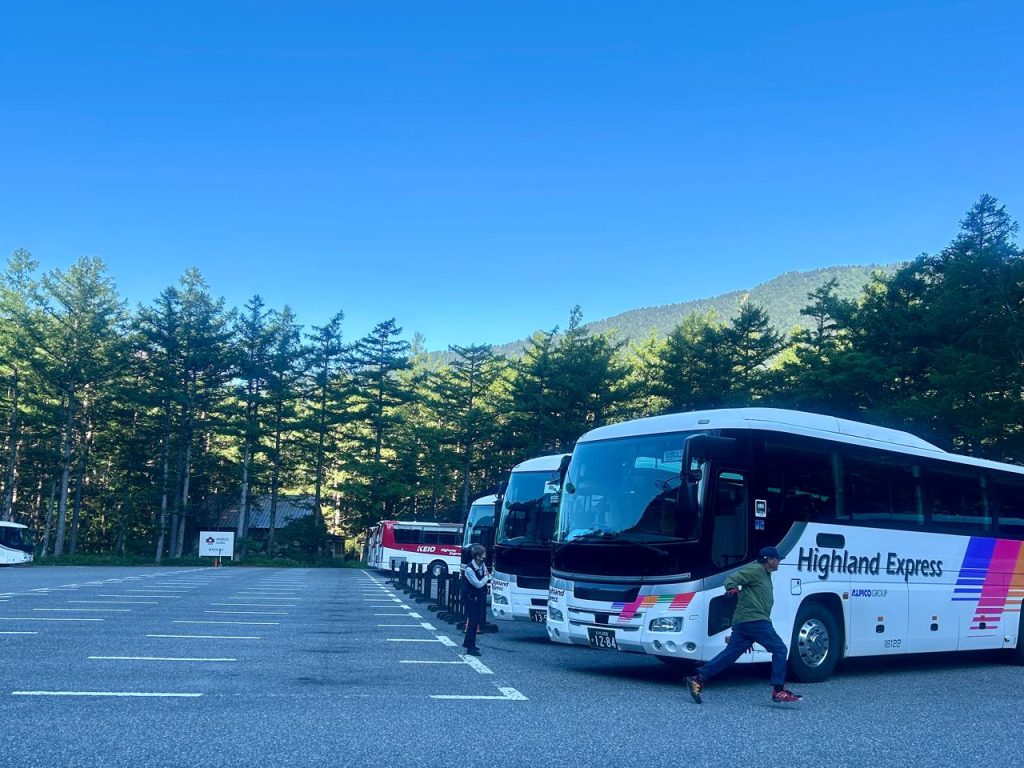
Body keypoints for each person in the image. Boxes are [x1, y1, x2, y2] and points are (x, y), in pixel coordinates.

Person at [684, 546, 802, 704]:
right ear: (769, 560)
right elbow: (731, 579)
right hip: (755, 620)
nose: (779, 561)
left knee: (729, 656)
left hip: (746, 622)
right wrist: (732, 588)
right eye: (777, 559)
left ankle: (698, 679)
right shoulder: (756, 570)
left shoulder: (765, 574)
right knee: (780, 649)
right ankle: (778, 691)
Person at [461, 543, 491, 657]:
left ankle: (469, 643)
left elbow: (486, 576)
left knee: (475, 620)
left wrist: (486, 577)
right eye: (483, 554)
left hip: (477, 597)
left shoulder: (482, 565)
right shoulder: (469, 569)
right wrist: (486, 577)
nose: (485, 556)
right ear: (478, 556)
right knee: (473, 621)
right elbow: (478, 584)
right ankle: (470, 647)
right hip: (469, 597)